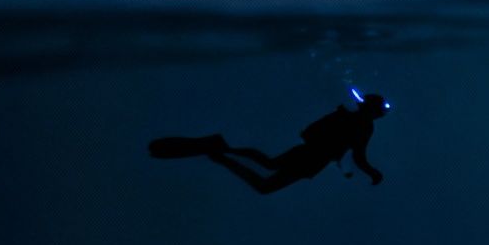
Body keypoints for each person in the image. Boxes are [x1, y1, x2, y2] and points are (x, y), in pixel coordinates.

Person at [150, 89, 389, 194]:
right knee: (265, 184)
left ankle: (222, 149)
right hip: (313, 159)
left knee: (269, 164)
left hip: (307, 152)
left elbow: (314, 132)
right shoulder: (363, 126)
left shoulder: (344, 116)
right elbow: (359, 155)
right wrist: (372, 173)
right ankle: (220, 153)